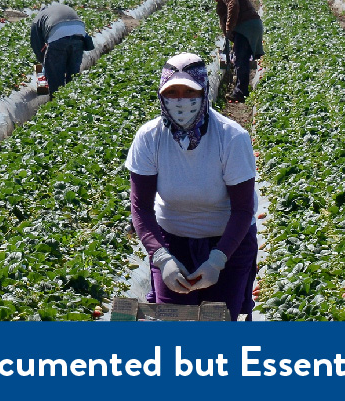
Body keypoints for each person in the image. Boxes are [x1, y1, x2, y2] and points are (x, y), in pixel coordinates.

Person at [126, 52, 259, 321]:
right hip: (171, 243)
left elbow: (243, 209)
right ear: (161, 95)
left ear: (204, 91)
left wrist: (217, 260)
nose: (180, 100)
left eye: (189, 91)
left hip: (228, 243)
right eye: (172, 92)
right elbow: (140, 209)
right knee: (175, 325)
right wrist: (162, 258)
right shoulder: (149, 137)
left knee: (219, 325)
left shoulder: (231, 137)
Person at [30, 4, 93, 98]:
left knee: (56, 76)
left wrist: (44, 62)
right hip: (79, 33)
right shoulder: (61, 8)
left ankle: (57, 102)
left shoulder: (38, 18)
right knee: (73, 73)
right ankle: (72, 101)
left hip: (58, 35)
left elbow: (36, 44)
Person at [216, 0, 264, 103]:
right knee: (241, 59)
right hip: (250, 26)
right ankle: (241, 90)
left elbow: (233, 4)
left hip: (246, 27)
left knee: (241, 60)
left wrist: (229, 28)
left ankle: (240, 92)